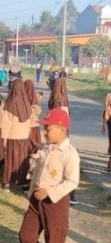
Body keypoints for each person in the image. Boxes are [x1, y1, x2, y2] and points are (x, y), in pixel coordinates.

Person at [19, 109, 80, 243]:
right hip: (37, 200)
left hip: (55, 203)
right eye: (45, 128)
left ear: (62, 129)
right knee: (26, 236)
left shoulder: (69, 154)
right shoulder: (47, 148)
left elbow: (72, 182)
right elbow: (39, 173)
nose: (45, 132)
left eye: (48, 128)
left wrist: (50, 192)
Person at [48, 77, 78, 205]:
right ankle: (68, 194)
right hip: (61, 134)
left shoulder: (52, 97)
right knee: (65, 163)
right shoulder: (63, 99)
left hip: (52, 132)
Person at [1, 79, 32, 191]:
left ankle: (7, 183)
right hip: (24, 137)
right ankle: (23, 182)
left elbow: (6, 123)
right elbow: (29, 122)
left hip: (12, 136)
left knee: (10, 160)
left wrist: (4, 138)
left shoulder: (10, 104)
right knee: (23, 160)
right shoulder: (27, 104)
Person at [101, 91, 111, 172]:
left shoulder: (109, 95)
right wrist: (103, 125)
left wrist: (103, 125)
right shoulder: (109, 95)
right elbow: (106, 110)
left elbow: (106, 111)